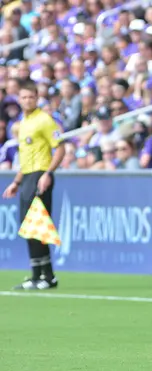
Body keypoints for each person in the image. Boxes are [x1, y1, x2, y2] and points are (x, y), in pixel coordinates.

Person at [2, 79, 66, 290]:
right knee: (28, 226)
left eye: (31, 97)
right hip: (28, 176)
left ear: (37, 98)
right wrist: (16, 182)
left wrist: (48, 173)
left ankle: (47, 276)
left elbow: (60, 148)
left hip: (40, 175)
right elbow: (25, 157)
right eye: (24, 97)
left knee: (38, 226)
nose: (27, 100)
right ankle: (37, 274)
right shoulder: (23, 124)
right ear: (19, 100)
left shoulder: (45, 120)